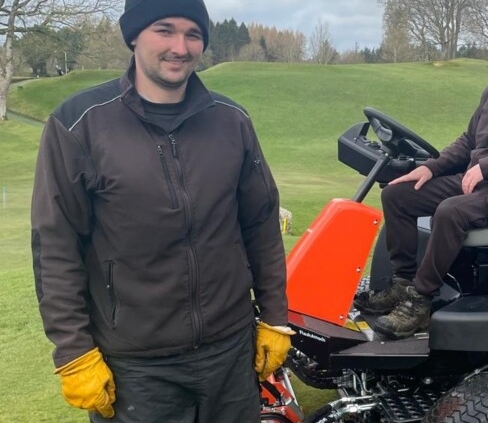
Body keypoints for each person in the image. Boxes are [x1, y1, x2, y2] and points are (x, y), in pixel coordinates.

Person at [31, 0, 292, 421]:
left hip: (229, 353)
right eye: (164, 30)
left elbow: (260, 225)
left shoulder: (231, 121)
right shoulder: (79, 124)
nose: (180, 46)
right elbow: (56, 246)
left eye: (193, 34)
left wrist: (275, 316)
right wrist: (74, 351)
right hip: (135, 365)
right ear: (133, 35)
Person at [353, 16, 488, 340]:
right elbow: (468, 141)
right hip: (478, 182)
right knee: (397, 196)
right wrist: (432, 166)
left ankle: (420, 302)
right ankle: (401, 284)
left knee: (450, 211)